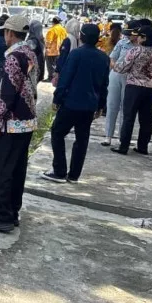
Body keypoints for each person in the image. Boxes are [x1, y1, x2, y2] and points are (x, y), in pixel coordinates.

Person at [0, 15, 38, 233]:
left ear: (10, 33)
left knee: (2, 170)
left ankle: (2, 216)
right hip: (28, 120)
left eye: (5, 32)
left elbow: (8, 93)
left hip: (12, 122)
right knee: (17, 168)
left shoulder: (14, 57)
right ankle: (12, 212)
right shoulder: (30, 52)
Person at [42, 24, 109, 183]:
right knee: (82, 139)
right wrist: (101, 105)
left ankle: (59, 171)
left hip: (71, 103)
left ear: (82, 36)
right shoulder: (104, 58)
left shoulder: (76, 54)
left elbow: (66, 77)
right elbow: (104, 84)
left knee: (57, 133)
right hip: (90, 105)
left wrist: (57, 98)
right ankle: (74, 175)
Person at [112, 26, 152, 155]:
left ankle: (123, 146)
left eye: (139, 36)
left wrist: (114, 66)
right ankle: (143, 147)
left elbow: (123, 68)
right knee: (146, 119)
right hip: (151, 89)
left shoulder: (135, 51)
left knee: (129, 117)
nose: (137, 38)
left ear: (144, 37)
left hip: (134, 87)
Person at [102, 21, 140, 146]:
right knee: (112, 105)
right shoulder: (122, 43)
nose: (130, 36)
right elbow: (112, 58)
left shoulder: (140, 46)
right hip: (116, 75)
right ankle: (108, 136)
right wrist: (116, 68)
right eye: (128, 34)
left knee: (126, 108)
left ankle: (122, 137)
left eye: (132, 34)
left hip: (131, 79)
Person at [45, 17, 67, 81]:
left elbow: (48, 41)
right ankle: (57, 78)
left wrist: (47, 48)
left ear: (53, 22)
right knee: (57, 65)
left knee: (50, 65)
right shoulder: (63, 29)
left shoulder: (52, 30)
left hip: (51, 51)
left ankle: (51, 78)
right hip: (60, 50)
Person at [27, 20, 45, 86]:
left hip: (32, 68)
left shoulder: (32, 41)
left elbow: (28, 55)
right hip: (38, 65)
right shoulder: (41, 38)